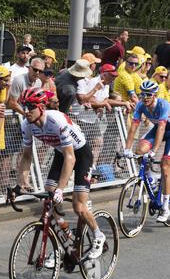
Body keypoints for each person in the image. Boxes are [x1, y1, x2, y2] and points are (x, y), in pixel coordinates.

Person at [14, 86, 106, 259]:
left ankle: (98, 235)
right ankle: (66, 238)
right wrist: (20, 184)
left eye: (31, 107)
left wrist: (60, 190)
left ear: (41, 107)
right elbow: (26, 157)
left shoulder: (56, 121)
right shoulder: (27, 125)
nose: (26, 111)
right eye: (25, 106)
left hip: (80, 153)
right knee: (49, 198)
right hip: (60, 152)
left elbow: (71, 158)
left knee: (78, 205)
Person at [123, 81, 170, 222]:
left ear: (154, 95)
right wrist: (127, 148)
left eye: (148, 94)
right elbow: (133, 127)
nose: (145, 97)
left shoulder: (163, 104)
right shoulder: (140, 105)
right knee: (139, 151)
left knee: (165, 166)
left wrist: (154, 151)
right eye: (142, 94)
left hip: (166, 130)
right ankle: (151, 180)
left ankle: (165, 207)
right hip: (158, 130)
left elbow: (161, 128)